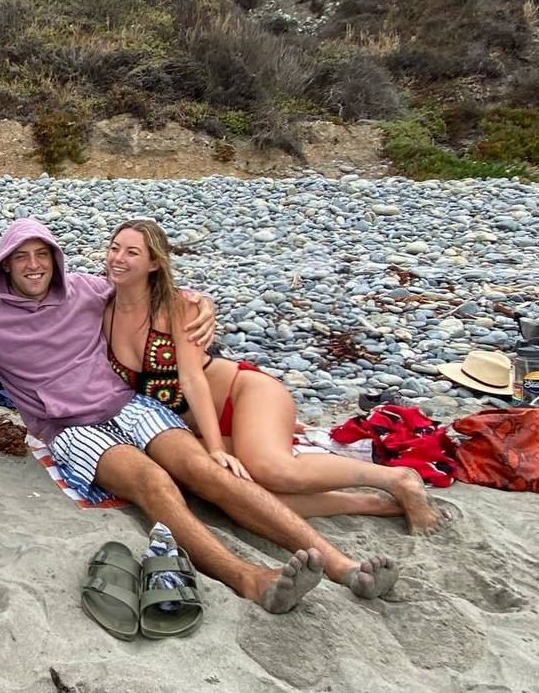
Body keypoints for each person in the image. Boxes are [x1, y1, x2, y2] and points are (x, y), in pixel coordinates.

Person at [0, 219, 400, 614]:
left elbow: (154, 289)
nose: (34, 265)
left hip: (129, 405)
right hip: (70, 429)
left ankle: (342, 565)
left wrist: (202, 302)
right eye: (21, 257)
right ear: (4, 265)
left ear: (56, 258)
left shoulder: (86, 290)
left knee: (204, 469)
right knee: (154, 483)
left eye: (42, 254)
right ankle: (250, 578)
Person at [101, 218, 447, 535]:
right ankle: (374, 505)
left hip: (244, 395)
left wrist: (218, 448)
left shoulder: (179, 306)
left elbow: (192, 379)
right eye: (115, 248)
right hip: (190, 425)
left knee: (272, 470)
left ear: (154, 263)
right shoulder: (102, 308)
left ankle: (397, 480)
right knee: (238, 494)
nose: (119, 258)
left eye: (132, 252)